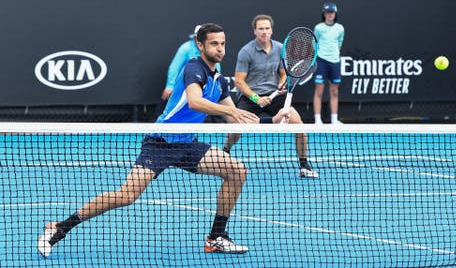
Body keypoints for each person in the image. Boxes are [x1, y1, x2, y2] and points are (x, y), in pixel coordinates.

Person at [38, 23, 290, 257]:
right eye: (214, 44)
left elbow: (236, 121)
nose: (220, 49)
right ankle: (59, 227)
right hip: (160, 144)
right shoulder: (194, 67)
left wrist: (272, 121)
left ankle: (216, 237)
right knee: (126, 196)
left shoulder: (219, 81)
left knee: (237, 171)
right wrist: (231, 110)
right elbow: (195, 101)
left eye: (223, 43)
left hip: (187, 144)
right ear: (201, 46)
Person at [223, 14, 318, 179]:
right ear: (255, 31)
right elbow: (239, 82)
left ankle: (304, 165)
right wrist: (256, 99)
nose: (264, 32)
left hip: (274, 96)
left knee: (299, 125)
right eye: (261, 28)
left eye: (267, 28)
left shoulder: (280, 48)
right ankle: (224, 153)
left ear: (271, 30)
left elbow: (283, 73)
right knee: (237, 126)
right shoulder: (246, 52)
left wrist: (281, 84)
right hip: (251, 96)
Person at [161, 24, 221, 101]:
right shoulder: (186, 48)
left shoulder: (211, 50)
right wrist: (170, 86)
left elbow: (216, 70)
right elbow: (174, 68)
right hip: (183, 87)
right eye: (199, 38)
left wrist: (215, 87)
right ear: (195, 38)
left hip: (203, 88)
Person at [313, 2, 345, 124]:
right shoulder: (319, 28)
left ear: (335, 14)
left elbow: (339, 43)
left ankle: (334, 120)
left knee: (334, 91)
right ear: (324, 14)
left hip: (335, 61)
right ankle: (317, 120)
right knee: (319, 91)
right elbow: (315, 43)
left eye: (332, 12)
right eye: (328, 12)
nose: (330, 14)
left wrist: (334, 54)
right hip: (321, 61)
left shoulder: (340, 28)